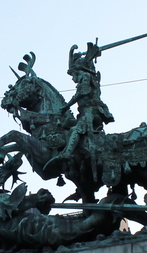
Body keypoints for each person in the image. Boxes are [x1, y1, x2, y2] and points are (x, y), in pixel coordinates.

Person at [46, 41, 114, 172]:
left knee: (77, 129)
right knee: (66, 125)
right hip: (85, 112)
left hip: (92, 111)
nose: (73, 79)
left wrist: (66, 107)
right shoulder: (88, 76)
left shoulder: (86, 76)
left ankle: (67, 153)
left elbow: (82, 92)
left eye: (73, 75)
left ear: (79, 71)